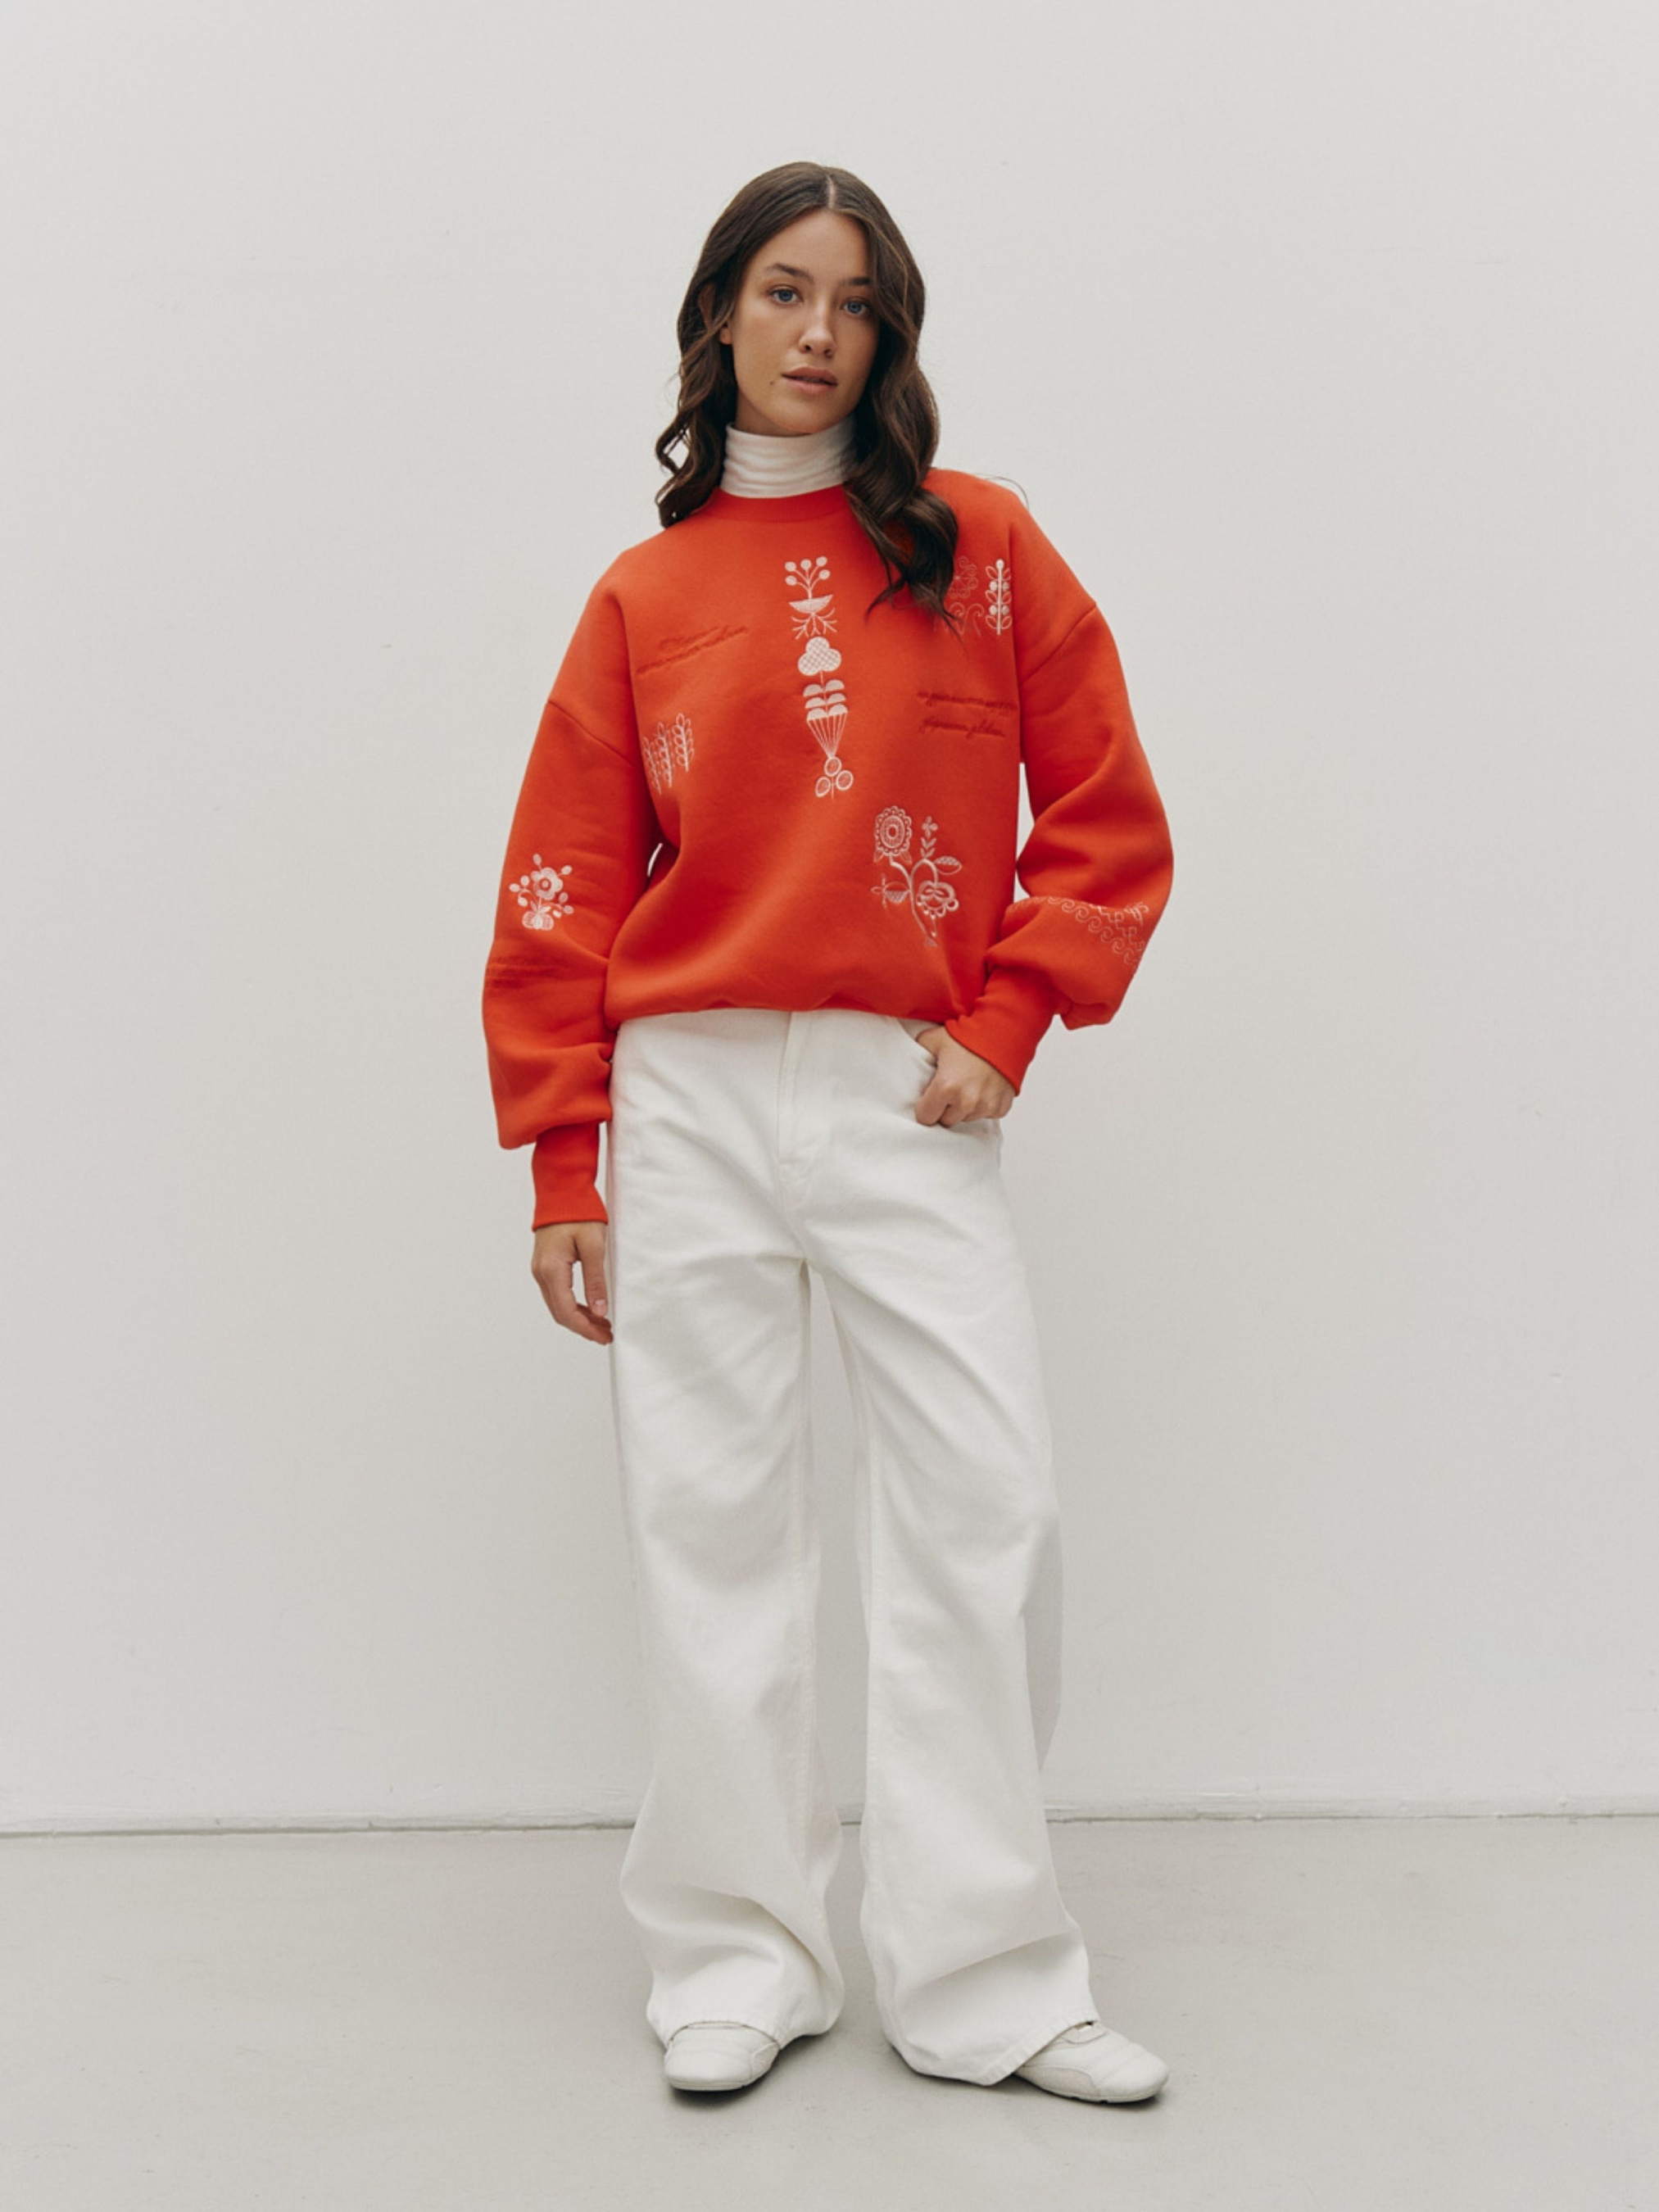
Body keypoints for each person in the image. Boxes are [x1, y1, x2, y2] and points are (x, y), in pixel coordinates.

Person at [481, 161, 1176, 2105]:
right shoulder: (643, 596)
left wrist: (1008, 1019)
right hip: (686, 1093)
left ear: (891, 333)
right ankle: (739, 1956)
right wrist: (564, 1160)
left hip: (901, 1088)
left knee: (984, 1510)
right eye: (782, 291)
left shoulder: (981, 545)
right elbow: (558, 882)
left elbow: (1105, 813)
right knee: (709, 1524)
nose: (816, 333)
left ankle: (987, 1978)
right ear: (718, 313)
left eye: (854, 302)